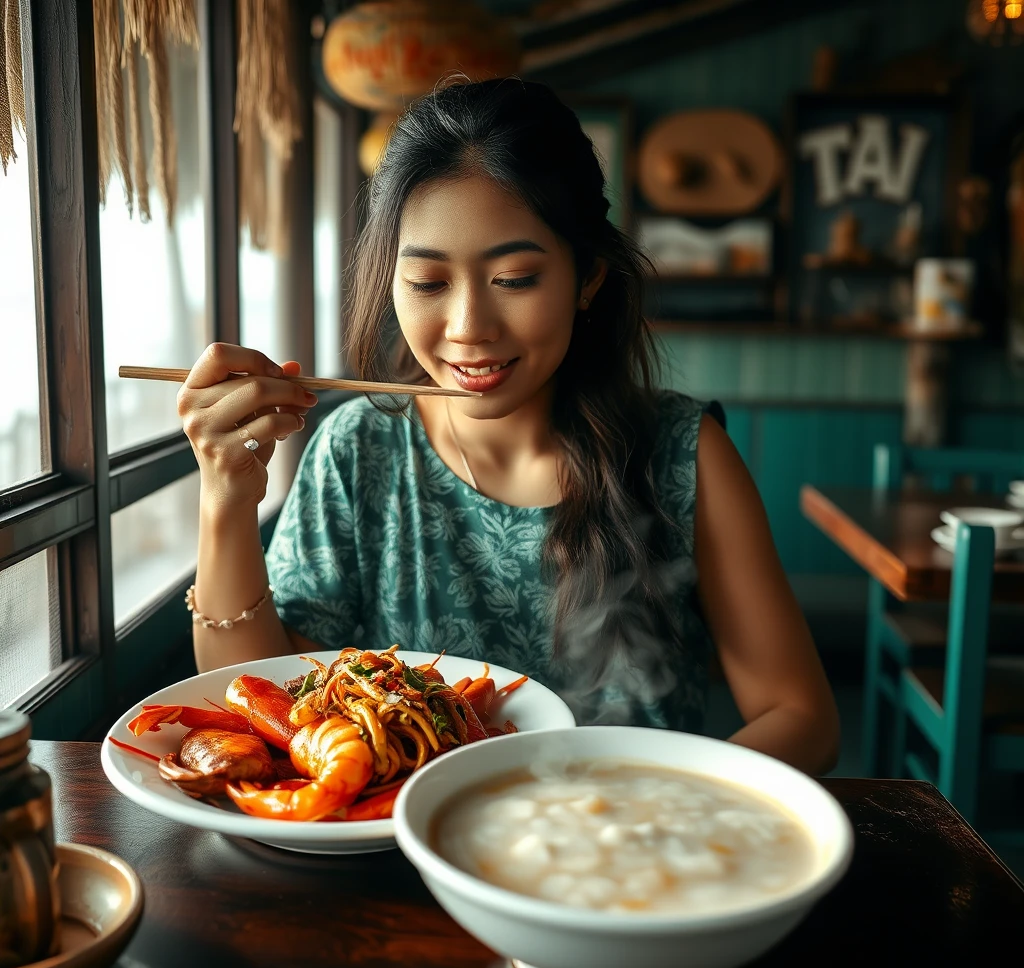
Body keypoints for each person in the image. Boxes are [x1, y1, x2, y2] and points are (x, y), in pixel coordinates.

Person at [177, 78, 839, 775]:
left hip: (621, 869)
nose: (469, 329)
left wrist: (652, 812)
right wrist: (225, 496)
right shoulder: (358, 453)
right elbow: (260, 707)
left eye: (516, 279)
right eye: (429, 283)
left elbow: (802, 720)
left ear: (588, 278)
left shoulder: (682, 455)